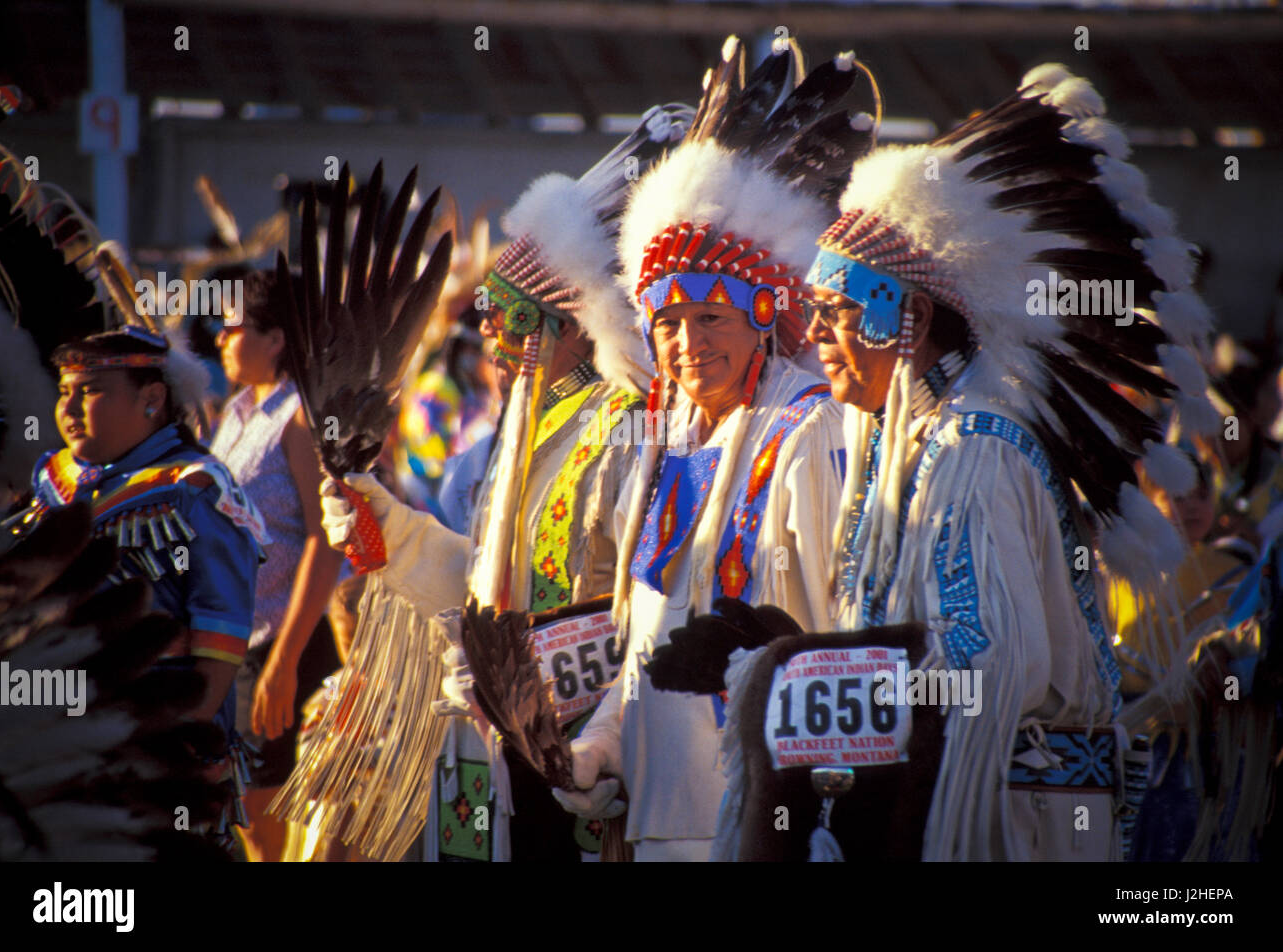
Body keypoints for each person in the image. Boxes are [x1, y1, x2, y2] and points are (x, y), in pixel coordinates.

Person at [796, 64, 1217, 860]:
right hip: (938, 796)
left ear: (908, 319)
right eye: (815, 312)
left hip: (1001, 818)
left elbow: (991, 660)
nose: (817, 333)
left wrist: (824, 681)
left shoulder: (977, 450)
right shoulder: (902, 446)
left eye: (837, 310)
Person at [296, 103, 692, 861]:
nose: (496, 345)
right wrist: (393, 529)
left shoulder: (626, 425)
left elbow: (650, 611)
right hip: (504, 737)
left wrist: (601, 737)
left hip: (589, 751)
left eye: (516, 322)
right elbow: (490, 596)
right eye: (494, 324)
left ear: (574, 323)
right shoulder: (524, 426)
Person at [552, 37, 872, 861]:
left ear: (764, 316)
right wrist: (597, 750)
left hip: (762, 824)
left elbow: (839, 639)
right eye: (668, 322)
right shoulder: (661, 451)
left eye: (712, 318)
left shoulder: (806, 438)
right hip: (660, 828)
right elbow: (646, 657)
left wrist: (829, 816)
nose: (687, 344)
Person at [24, 327, 264, 730]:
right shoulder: (53, 479)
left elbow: (221, 624)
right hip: (52, 732)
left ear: (152, 398)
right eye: (65, 391)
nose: (69, 409)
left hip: (156, 733)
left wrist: (192, 732)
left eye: (90, 391)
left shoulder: (192, 487)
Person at [211, 269, 346, 862]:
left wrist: (285, 663)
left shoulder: (298, 417)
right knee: (245, 818)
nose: (219, 337)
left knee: (275, 832)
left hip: (284, 641)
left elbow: (326, 539)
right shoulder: (238, 413)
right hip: (234, 642)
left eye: (234, 327)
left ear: (276, 340)